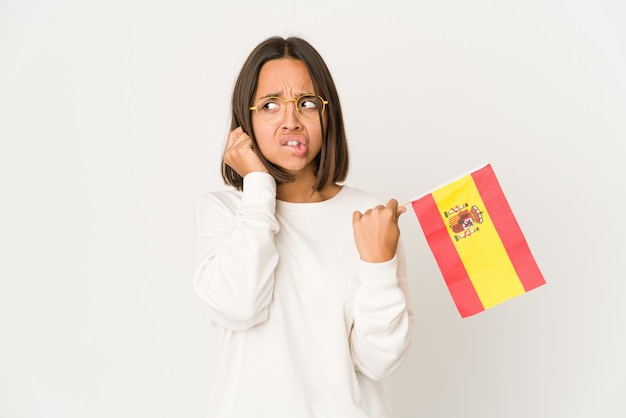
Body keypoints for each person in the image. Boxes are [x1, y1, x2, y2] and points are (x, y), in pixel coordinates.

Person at [193, 35, 414, 418]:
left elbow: (378, 362)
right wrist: (258, 187)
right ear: (245, 122)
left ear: (327, 117)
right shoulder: (225, 211)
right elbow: (239, 306)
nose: (290, 121)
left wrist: (378, 266)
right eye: (270, 105)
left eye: (307, 103)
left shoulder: (368, 214)